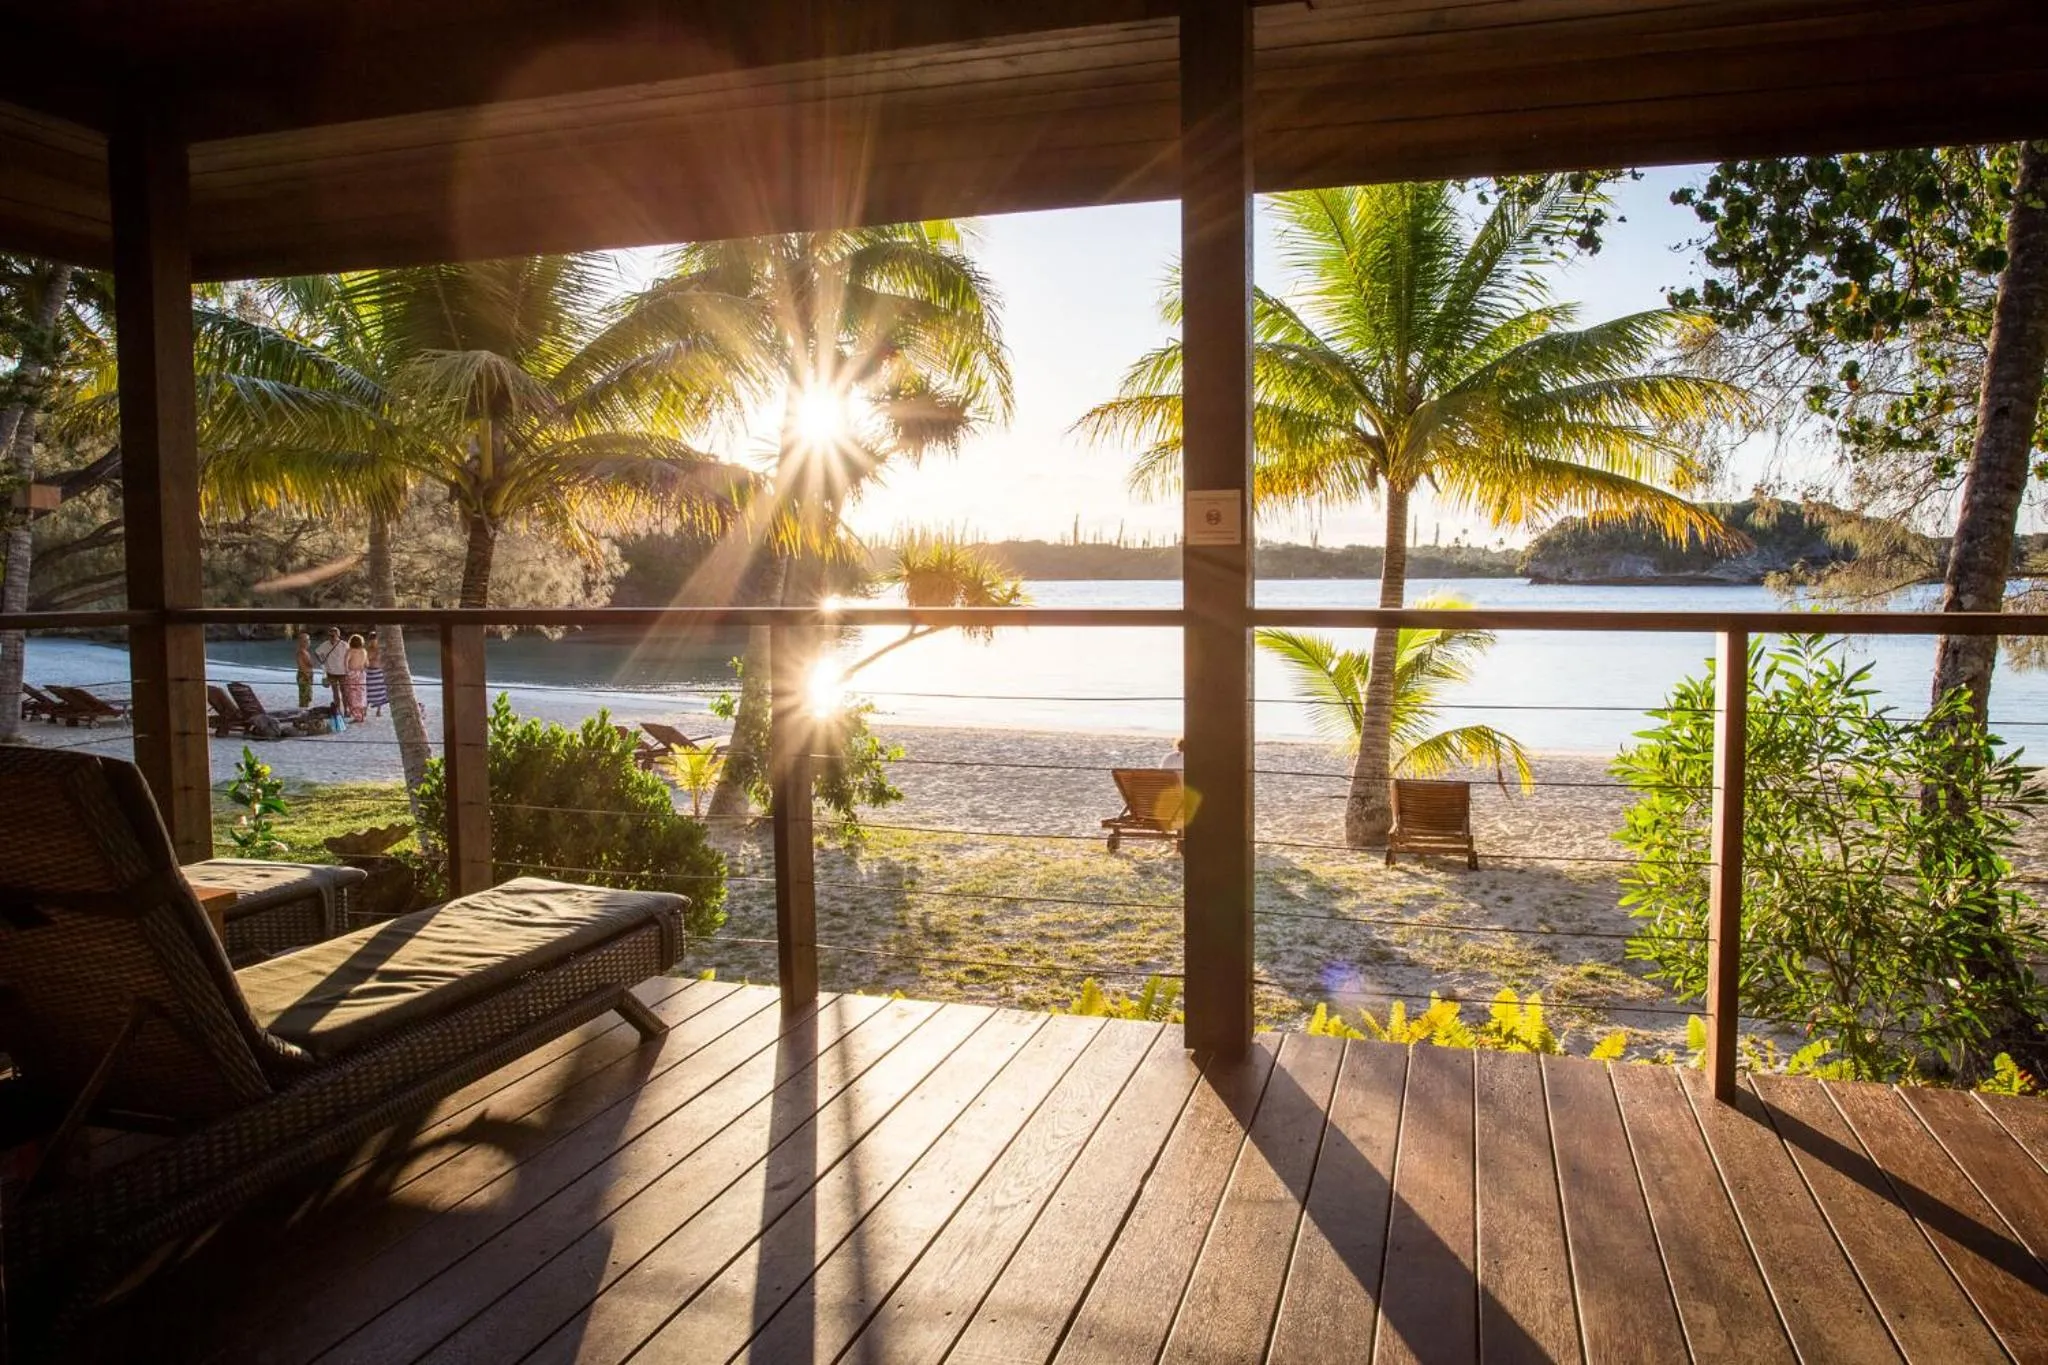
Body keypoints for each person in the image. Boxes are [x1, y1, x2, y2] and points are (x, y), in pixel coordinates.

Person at [318, 627, 348, 711]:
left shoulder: (344, 645)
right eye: (330, 635)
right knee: (335, 692)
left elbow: (349, 656)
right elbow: (317, 652)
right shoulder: (325, 644)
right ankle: (338, 709)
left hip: (342, 672)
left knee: (344, 691)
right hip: (331, 672)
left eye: (333, 635)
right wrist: (322, 662)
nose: (331, 637)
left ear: (338, 635)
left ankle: (346, 709)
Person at [342, 633, 370, 723]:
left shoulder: (350, 651)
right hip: (361, 674)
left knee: (352, 695)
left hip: (352, 674)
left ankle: (357, 716)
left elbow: (345, 663)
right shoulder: (364, 651)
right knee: (361, 694)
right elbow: (367, 664)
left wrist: (347, 672)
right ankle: (361, 713)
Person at [365, 632, 389, 718]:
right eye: (371, 640)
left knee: (380, 691)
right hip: (369, 672)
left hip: (379, 672)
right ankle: (365, 710)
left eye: (374, 640)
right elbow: (365, 662)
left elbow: (386, 661)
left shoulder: (381, 650)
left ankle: (378, 711)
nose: (372, 642)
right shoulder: (367, 650)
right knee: (368, 691)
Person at [294, 632, 315, 708]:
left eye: (308, 640)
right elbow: (301, 665)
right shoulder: (301, 652)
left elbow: (310, 664)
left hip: (307, 675)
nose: (308, 642)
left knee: (308, 697)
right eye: (306, 640)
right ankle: (303, 712)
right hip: (304, 676)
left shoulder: (305, 652)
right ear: (301, 642)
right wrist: (307, 676)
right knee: (304, 697)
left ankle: (304, 711)